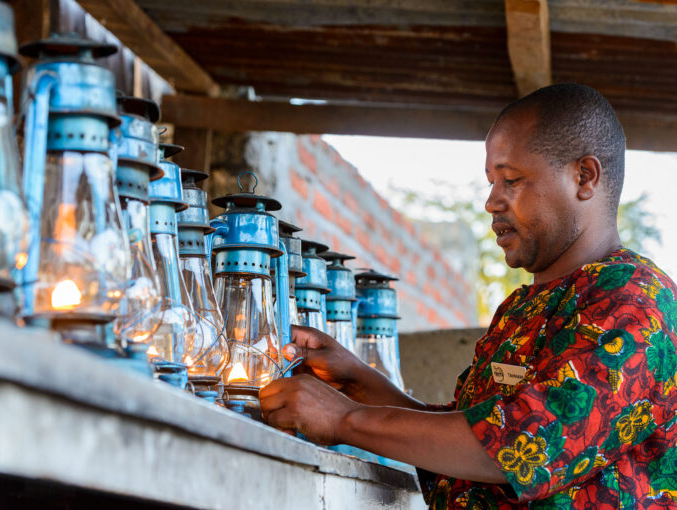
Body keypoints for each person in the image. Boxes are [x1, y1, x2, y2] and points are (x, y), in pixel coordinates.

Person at [259, 83, 677, 509]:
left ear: (583, 177)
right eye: (491, 182)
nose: (491, 202)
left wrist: (343, 418)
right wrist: (357, 383)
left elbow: (519, 444)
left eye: (511, 180)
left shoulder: (636, 304)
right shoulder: (522, 308)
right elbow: (465, 440)